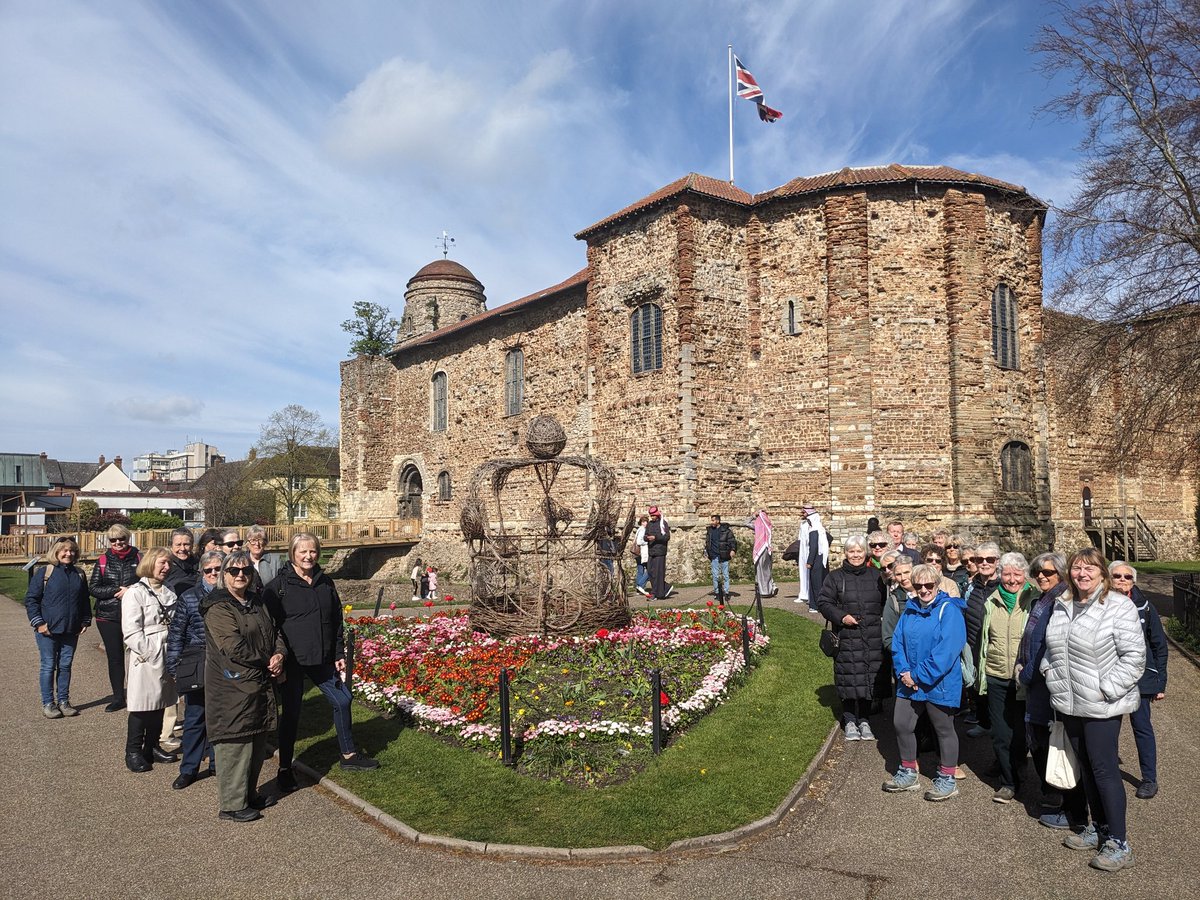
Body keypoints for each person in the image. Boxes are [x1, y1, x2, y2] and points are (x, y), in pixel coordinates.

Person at [1041, 547, 1145, 872]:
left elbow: (1134, 657)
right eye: (1076, 568)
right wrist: (1049, 671)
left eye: (1089, 568)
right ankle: (1098, 828)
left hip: (1102, 705)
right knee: (1085, 767)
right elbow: (1053, 648)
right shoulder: (1064, 604)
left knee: (1104, 770)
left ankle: (1119, 842)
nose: (1082, 574)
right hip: (1069, 701)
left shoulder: (1118, 606)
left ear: (1101, 572)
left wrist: (1106, 688)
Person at [267, 533, 379, 795]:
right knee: (292, 715)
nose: (308, 557)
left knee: (342, 700)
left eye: (313, 552)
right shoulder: (278, 586)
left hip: (321, 658)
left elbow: (336, 620)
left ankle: (348, 755)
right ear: (292, 553)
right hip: (293, 660)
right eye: (303, 552)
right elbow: (270, 628)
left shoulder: (325, 582)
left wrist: (338, 651)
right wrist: (277, 659)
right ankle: (284, 768)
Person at [203, 549, 285, 821]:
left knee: (256, 741)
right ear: (223, 574)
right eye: (234, 571)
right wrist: (266, 660)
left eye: (246, 571)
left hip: (258, 683)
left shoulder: (256, 601)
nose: (241, 575)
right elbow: (234, 647)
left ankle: (248, 796)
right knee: (235, 744)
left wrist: (279, 655)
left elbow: (274, 632)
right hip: (232, 685)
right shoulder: (218, 607)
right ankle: (232, 804)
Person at [885, 563, 967, 801]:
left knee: (943, 729)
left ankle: (947, 778)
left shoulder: (948, 610)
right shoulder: (909, 610)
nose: (923, 590)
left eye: (928, 585)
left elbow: (947, 650)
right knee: (902, 723)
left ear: (937, 584)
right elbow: (898, 643)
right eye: (918, 585)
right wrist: (904, 672)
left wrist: (917, 675)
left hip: (938, 682)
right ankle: (908, 771)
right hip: (909, 681)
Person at [1016, 552, 1085, 830]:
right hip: (1037, 683)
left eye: (1048, 572)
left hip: (1048, 683)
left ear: (1060, 573)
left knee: (1058, 745)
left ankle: (1069, 807)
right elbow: (1030, 639)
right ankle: (1057, 797)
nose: (1042, 576)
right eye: (1038, 573)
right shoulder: (1043, 600)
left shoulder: (1061, 600)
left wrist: (1028, 672)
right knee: (1042, 740)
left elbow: (1049, 643)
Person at [976, 551, 1037, 803]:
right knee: (1001, 733)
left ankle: (1022, 771)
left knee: (1022, 733)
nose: (1011, 579)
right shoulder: (991, 601)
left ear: (1025, 574)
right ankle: (1008, 781)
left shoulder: (1035, 600)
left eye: (1017, 573)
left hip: (1025, 678)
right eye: (1007, 574)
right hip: (997, 674)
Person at [816, 535, 887, 741]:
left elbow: (885, 602)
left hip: (872, 634)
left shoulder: (876, 576)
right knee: (848, 678)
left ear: (865, 552)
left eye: (859, 551)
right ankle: (849, 720)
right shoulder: (835, 577)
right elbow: (824, 602)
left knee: (868, 677)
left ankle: (864, 720)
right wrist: (841, 617)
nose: (855, 555)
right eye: (851, 551)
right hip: (847, 635)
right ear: (845, 553)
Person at [1110, 561, 1167, 800]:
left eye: (1127, 577)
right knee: (1108, 730)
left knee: (1142, 728)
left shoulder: (1144, 606)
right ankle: (1107, 775)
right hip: (1110, 678)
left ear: (1133, 581)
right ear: (1109, 579)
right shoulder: (1100, 603)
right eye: (1117, 576)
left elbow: (1159, 644)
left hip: (1140, 678)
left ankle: (1149, 779)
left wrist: (1160, 682)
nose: (1122, 580)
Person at [166, 549, 222, 790]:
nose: (212, 573)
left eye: (217, 569)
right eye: (208, 570)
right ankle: (188, 768)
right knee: (194, 717)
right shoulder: (189, 597)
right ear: (201, 572)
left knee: (219, 718)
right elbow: (176, 633)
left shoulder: (231, 594)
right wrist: (174, 665)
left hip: (223, 665)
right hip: (197, 663)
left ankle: (218, 764)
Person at [121, 547, 178, 773]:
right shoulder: (135, 592)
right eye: (162, 563)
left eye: (169, 564)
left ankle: (152, 746)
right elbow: (131, 631)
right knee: (141, 705)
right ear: (151, 563)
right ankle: (133, 751)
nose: (166, 568)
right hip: (147, 655)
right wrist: (151, 653)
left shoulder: (169, 590)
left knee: (161, 701)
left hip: (168, 650)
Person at [26, 536, 91, 718]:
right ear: (56, 552)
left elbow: (84, 600)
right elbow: (31, 600)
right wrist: (38, 623)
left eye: (71, 550)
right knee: (48, 666)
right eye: (64, 550)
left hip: (71, 629)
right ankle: (48, 703)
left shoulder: (79, 573)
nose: (68, 553)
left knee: (65, 665)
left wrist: (85, 620)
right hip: (47, 629)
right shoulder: (45, 572)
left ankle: (63, 701)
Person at [89, 524, 141, 712]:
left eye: (122, 539)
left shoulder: (139, 558)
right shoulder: (103, 560)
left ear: (128, 539)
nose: (118, 543)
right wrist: (114, 590)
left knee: (139, 655)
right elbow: (93, 588)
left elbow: (147, 584)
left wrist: (130, 590)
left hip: (135, 614)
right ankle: (119, 697)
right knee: (115, 657)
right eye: (114, 540)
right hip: (108, 615)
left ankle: (139, 694)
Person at [963, 542, 1001, 737]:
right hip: (973, 643)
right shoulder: (972, 586)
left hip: (995, 647)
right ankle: (984, 723)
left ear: (997, 561)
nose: (984, 563)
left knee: (994, 691)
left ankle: (997, 727)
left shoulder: (1003, 586)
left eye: (990, 559)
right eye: (980, 559)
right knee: (978, 687)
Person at [797, 504, 830, 605]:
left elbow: (814, 545)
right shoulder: (815, 527)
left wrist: (810, 561)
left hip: (814, 555)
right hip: (813, 554)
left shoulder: (815, 528)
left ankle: (816, 604)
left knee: (816, 581)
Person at [705, 514, 736, 602]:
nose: (711, 522)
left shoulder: (726, 530)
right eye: (711, 520)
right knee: (715, 576)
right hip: (714, 556)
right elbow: (707, 542)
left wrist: (733, 550)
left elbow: (732, 541)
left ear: (718, 521)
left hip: (724, 555)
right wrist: (706, 551)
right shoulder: (710, 531)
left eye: (713, 520)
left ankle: (726, 593)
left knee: (725, 575)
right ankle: (717, 592)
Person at [643, 507, 672, 600]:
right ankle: (665, 587)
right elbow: (645, 536)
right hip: (651, 552)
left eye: (654, 515)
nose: (652, 517)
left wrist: (656, 537)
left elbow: (666, 537)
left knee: (658, 573)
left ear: (657, 514)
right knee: (651, 573)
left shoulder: (663, 524)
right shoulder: (649, 524)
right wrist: (647, 538)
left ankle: (656, 593)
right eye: (651, 516)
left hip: (660, 552)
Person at [163, 527, 198, 596]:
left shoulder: (199, 564)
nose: (182, 548)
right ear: (171, 546)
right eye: (178, 545)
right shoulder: (165, 566)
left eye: (186, 544)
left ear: (192, 546)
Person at [751, 509, 776, 598]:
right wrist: (756, 515)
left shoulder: (762, 525)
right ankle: (769, 588)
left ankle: (765, 591)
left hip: (763, 548)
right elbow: (746, 523)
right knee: (764, 570)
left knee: (762, 570)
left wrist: (755, 515)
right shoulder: (762, 525)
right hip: (764, 549)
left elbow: (746, 522)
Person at [632, 517, 651, 598]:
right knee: (650, 570)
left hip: (638, 553)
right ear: (641, 522)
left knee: (640, 570)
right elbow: (639, 542)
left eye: (646, 521)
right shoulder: (642, 529)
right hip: (641, 553)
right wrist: (648, 541)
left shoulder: (639, 529)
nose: (645, 523)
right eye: (643, 522)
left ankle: (639, 589)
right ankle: (640, 585)